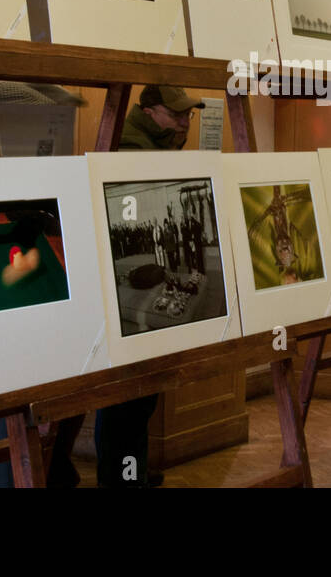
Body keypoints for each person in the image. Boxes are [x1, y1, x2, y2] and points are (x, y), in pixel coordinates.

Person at [48, 84, 205, 490]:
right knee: (128, 399)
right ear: (150, 112)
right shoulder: (131, 154)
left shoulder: (151, 150)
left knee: (131, 397)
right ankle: (120, 478)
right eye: (177, 115)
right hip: (112, 300)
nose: (186, 121)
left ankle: (117, 470)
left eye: (189, 115)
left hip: (112, 294)